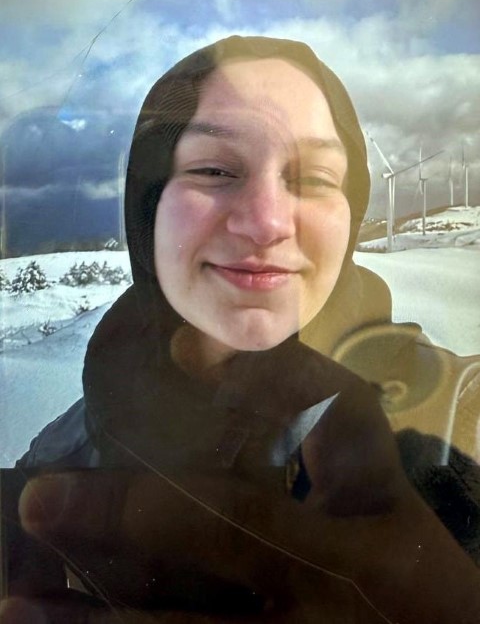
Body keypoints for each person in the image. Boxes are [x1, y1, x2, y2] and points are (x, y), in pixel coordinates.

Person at [2, 35, 480, 623]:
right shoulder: (56, 460)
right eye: (214, 169)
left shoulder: (460, 424)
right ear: (147, 208)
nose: (267, 221)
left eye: (315, 177)